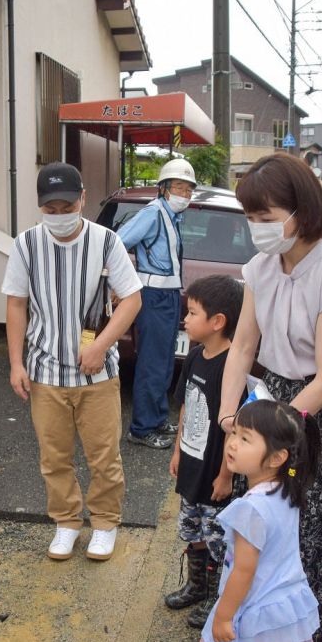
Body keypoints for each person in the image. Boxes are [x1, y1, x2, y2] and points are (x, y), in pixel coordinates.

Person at [217, 152, 322, 642]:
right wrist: (229, 419)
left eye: (264, 218)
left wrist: (268, 431)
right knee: (263, 528)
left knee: (320, 535)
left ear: (300, 212)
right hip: (273, 403)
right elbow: (241, 348)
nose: (255, 229)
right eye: (251, 218)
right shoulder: (260, 267)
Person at [3, 162, 142, 562]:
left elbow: (131, 298)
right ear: (40, 207)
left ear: (83, 199)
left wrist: (102, 345)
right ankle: (66, 522)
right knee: (54, 456)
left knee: (104, 456)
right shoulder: (26, 244)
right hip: (45, 371)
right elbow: (15, 304)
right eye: (51, 209)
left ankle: (104, 523)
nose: (60, 215)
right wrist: (16, 363)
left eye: (67, 206)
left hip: (98, 373)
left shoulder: (106, 241)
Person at [196, 399, 322, 642]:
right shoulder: (287, 490)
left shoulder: (251, 508)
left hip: (254, 609)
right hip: (283, 608)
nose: (232, 443)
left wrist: (223, 616)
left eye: (245, 439)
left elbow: (244, 569)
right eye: (234, 432)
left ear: (277, 458)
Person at [164, 275, 246, 629]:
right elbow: (185, 405)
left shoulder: (232, 367)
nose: (185, 319)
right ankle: (197, 587)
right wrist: (178, 450)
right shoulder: (195, 356)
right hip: (191, 465)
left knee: (219, 539)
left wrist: (227, 474)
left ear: (217, 322)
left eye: (192, 312)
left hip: (215, 472)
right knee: (192, 530)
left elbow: (239, 431)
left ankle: (218, 598)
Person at [116, 158, 197, 450]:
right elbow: (116, 243)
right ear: (163, 189)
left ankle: (157, 418)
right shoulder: (152, 214)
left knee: (163, 363)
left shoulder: (171, 216)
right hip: (153, 297)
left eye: (189, 190)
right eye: (179, 187)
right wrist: (122, 282)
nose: (184, 194)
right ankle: (141, 428)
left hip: (169, 296)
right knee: (152, 363)